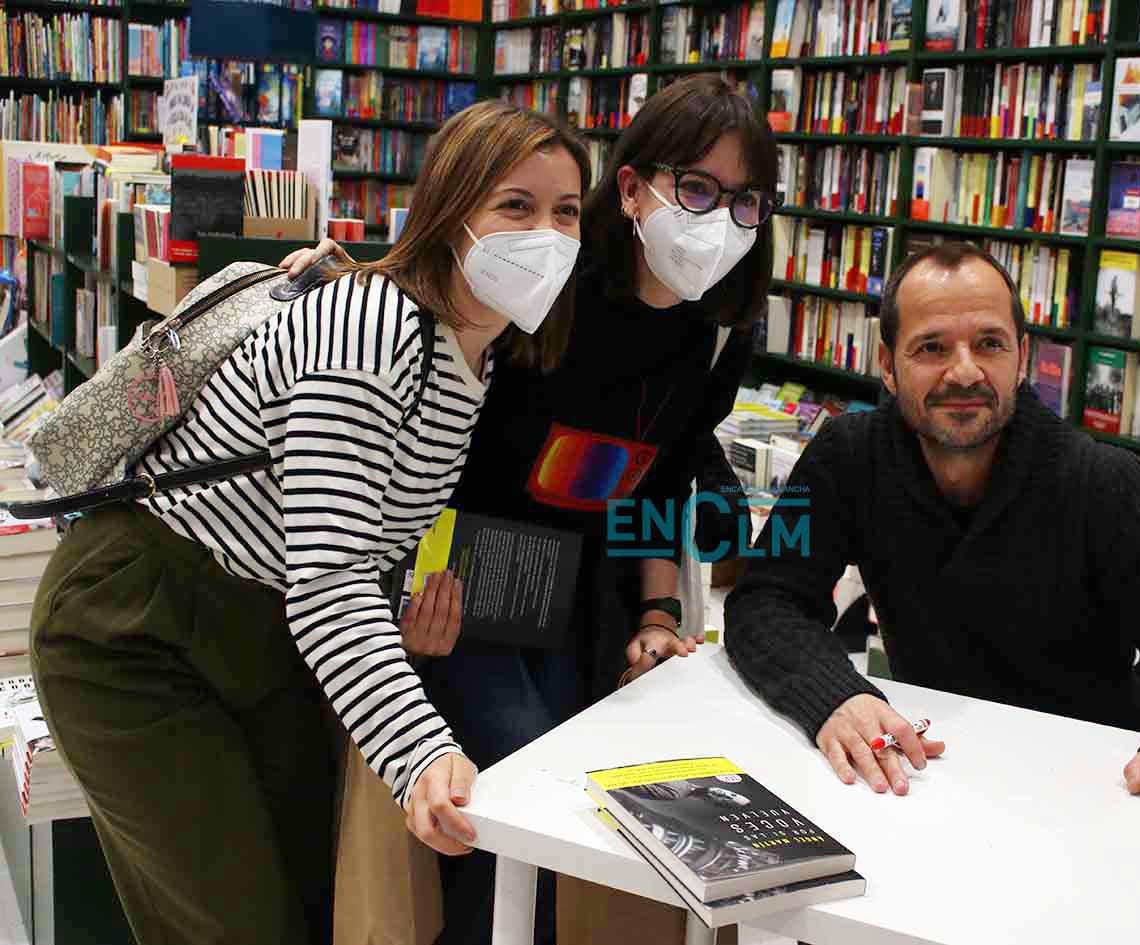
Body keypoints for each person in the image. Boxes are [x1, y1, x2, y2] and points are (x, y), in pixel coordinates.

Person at [29, 100, 590, 945]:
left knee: (307, 899)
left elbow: (345, 528)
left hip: (258, 627)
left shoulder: (472, 353)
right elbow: (327, 580)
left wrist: (396, 614)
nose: (544, 233)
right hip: (138, 622)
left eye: (566, 212)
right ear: (450, 210)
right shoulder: (372, 328)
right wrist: (421, 753)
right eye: (515, 205)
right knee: (237, 924)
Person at [282, 74, 778, 945]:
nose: (718, 220)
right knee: (504, 802)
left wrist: (658, 615)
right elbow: (433, 305)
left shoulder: (719, 329)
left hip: (587, 596)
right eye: (697, 189)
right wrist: (340, 275)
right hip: (462, 585)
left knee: (566, 816)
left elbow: (665, 480)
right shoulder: (546, 277)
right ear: (633, 188)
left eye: (745, 200)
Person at [724, 242, 1140, 804]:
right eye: (931, 348)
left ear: (1022, 357)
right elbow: (766, 598)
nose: (964, 372)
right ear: (887, 365)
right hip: (930, 779)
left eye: (989, 344)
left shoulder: (1100, 480)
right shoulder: (848, 456)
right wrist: (836, 696)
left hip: (1095, 787)